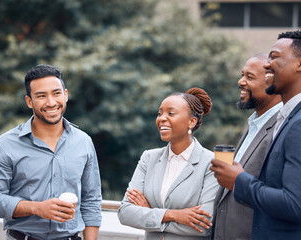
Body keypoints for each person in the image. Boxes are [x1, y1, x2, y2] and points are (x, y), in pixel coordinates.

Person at [0, 64, 102, 240]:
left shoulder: (83, 142)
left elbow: (91, 199)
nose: (51, 102)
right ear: (29, 101)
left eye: (56, 93)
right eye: (41, 96)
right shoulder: (4, 146)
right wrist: (36, 208)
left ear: (66, 95)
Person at [211, 30, 301, 239]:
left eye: (275, 57)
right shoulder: (286, 119)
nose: (268, 65)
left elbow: (295, 204)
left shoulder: (297, 123)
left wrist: (239, 181)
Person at [118, 88, 219, 240]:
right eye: (159, 114)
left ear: (192, 122)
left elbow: (203, 225)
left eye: (170, 113)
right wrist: (173, 215)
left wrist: (150, 213)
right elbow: (125, 213)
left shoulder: (211, 163)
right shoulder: (148, 158)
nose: (161, 119)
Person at [211, 53, 282, 240]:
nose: (240, 82)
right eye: (242, 75)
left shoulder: (281, 130)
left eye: (249, 77)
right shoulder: (254, 125)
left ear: (273, 84)